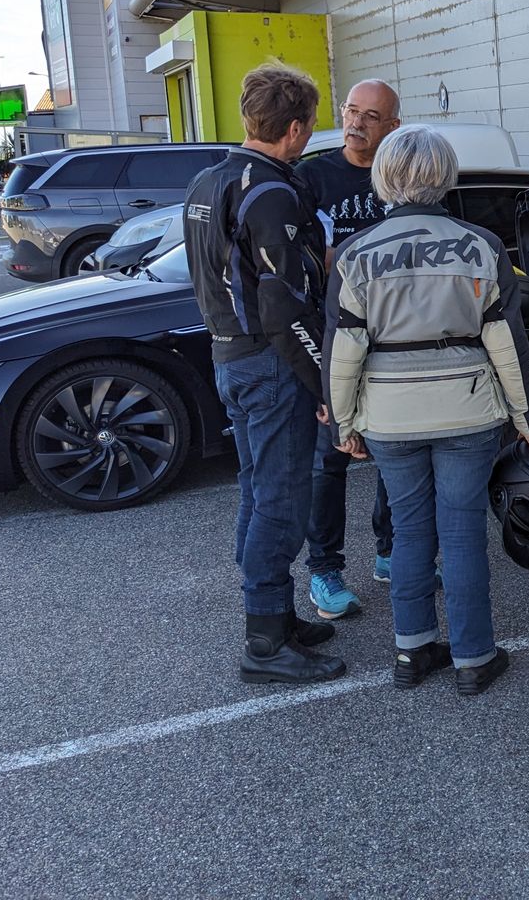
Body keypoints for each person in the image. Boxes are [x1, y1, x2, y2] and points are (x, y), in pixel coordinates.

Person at [324, 124, 529, 696]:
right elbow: (506, 342)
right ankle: (474, 658)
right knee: (463, 532)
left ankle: (412, 650)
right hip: (467, 411)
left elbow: (344, 350)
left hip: (389, 418)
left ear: (383, 178)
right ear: (446, 176)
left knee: (409, 531)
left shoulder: (354, 254)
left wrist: (343, 424)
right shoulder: (482, 246)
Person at [183, 63, 344, 685]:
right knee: (281, 498)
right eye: (311, 125)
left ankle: (275, 615)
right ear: (296, 128)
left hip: (229, 354)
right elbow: (284, 306)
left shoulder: (208, 179)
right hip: (269, 362)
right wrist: (323, 383)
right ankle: (265, 642)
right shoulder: (272, 191)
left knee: (257, 489)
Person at [295, 79, 402, 618]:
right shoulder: (312, 177)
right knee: (329, 459)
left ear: (393, 127)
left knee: (395, 454)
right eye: (351, 111)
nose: (356, 123)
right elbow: (296, 258)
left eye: (371, 116)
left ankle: (391, 554)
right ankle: (325, 570)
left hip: (396, 339)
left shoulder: (402, 174)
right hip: (333, 337)